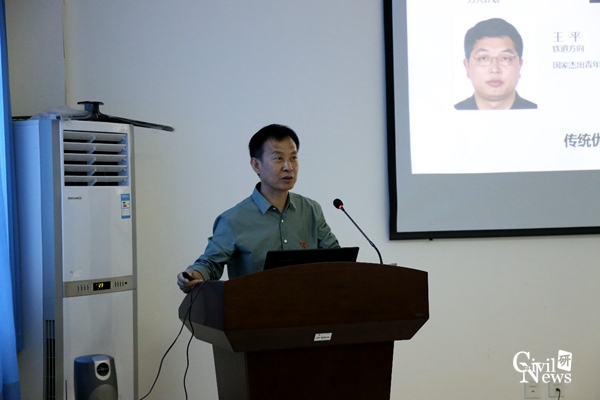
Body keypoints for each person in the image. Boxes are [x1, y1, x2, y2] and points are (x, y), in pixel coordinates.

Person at [177, 124, 340, 293]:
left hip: (309, 304)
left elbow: (337, 258)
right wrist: (194, 274)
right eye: (278, 158)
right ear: (256, 165)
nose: (288, 167)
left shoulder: (311, 210)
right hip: (255, 306)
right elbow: (210, 263)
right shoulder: (233, 220)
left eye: (293, 158)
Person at [454, 18, 537, 110]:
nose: (494, 69)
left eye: (505, 58)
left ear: (520, 66)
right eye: (483, 58)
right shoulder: (451, 113)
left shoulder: (540, 112)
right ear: (467, 66)